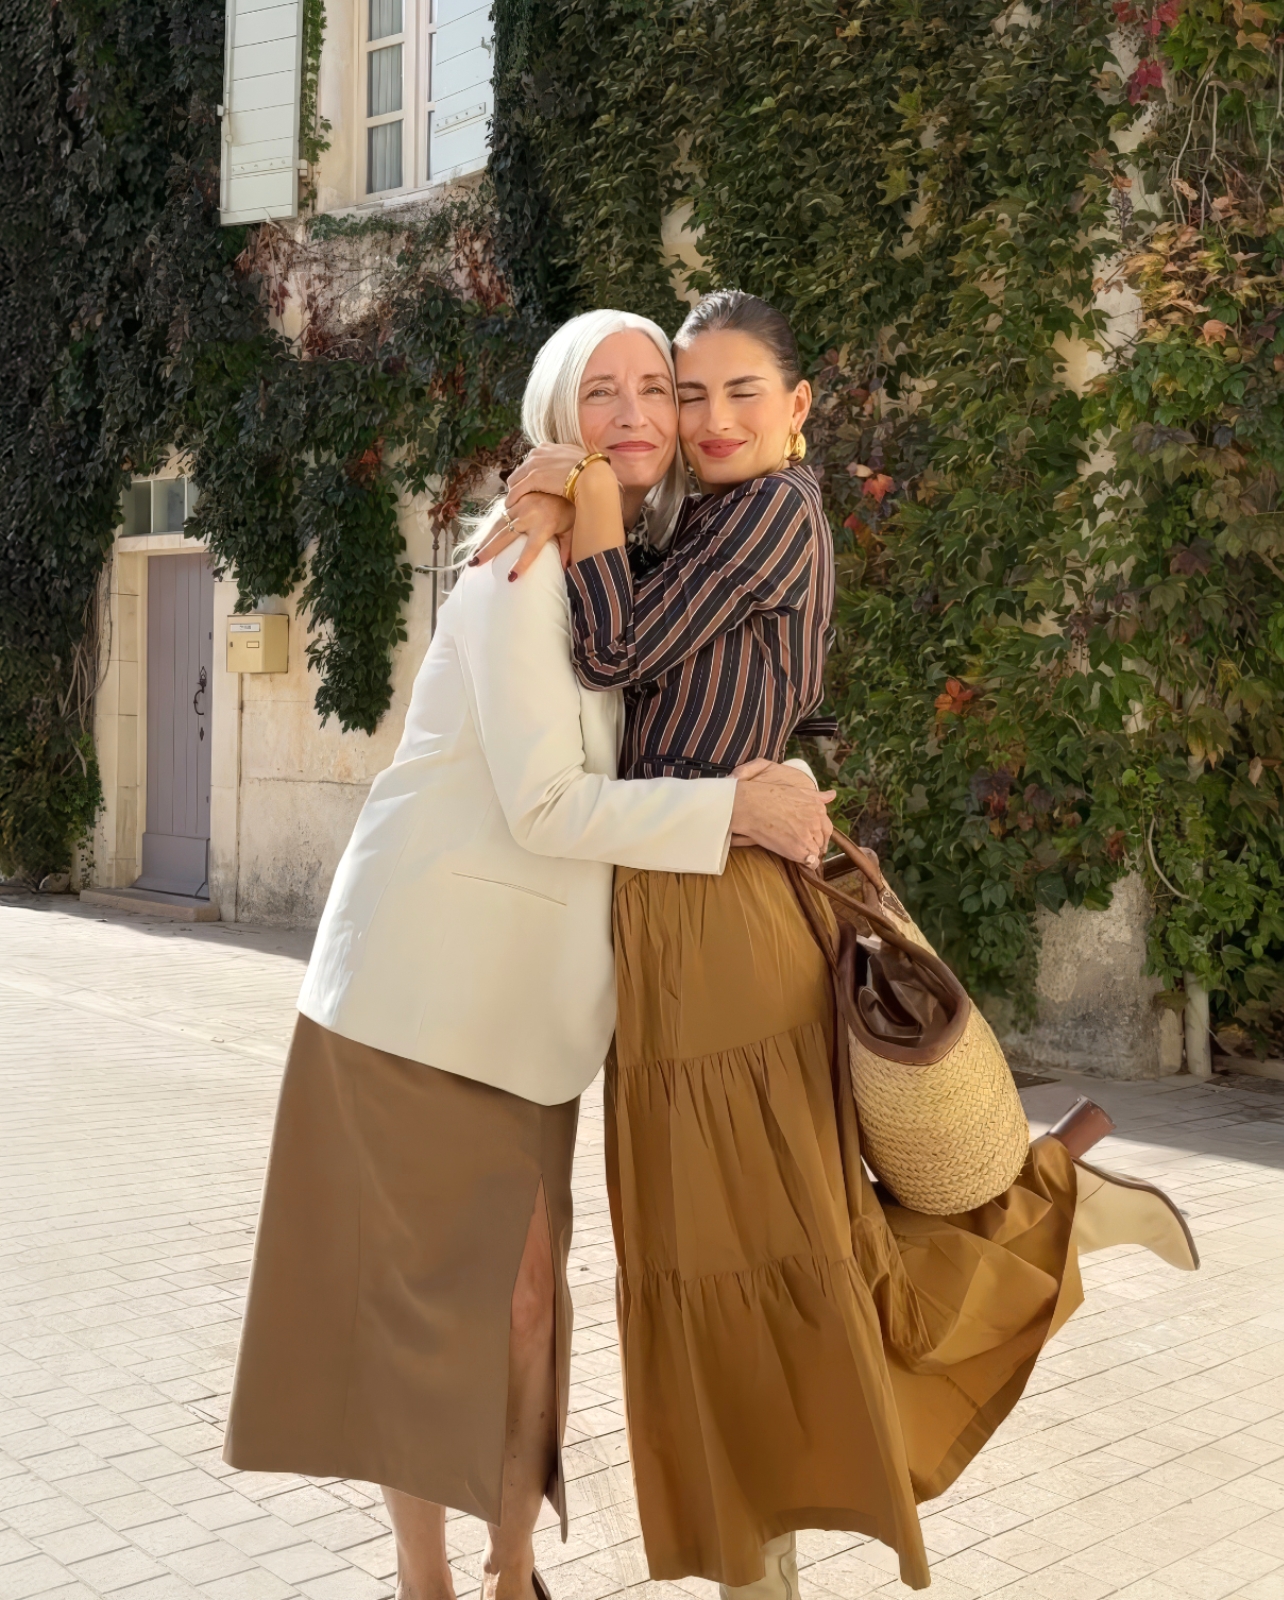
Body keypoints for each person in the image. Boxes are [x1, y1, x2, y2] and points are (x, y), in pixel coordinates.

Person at [499, 289, 1198, 1598]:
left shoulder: (775, 511)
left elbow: (612, 649)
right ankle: (757, 1561)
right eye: (685, 394)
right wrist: (559, 490)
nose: (704, 419)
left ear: (799, 407)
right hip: (676, 909)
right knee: (702, 1252)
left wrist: (584, 499)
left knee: (770, 1248)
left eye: (736, 392)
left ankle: (1044, 1224)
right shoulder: (707, 520)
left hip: (726, 916)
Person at [220, 308, 833, 1600]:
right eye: (599, 391)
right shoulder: (519, 569)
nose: (639, 414)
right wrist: (737, 809)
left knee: (524, 1308)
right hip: (419, 992)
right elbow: (549, 804)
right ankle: (427, 1577)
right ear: (556, 415)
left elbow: (700, 685)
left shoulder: (628, 550)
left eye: (653, 390)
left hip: (536, 1014)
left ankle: (513, 1572)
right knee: (427, 1311)